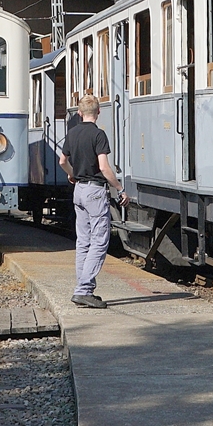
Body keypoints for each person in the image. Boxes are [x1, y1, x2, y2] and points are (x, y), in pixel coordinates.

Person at [58, 94, 128, 309]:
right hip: (95, 192)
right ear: (98, 112)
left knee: (83, 242)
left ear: (79, 113)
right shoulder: (99, 135)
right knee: (99, 241)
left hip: (78, 190)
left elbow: (63, 161)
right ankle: (84, 290)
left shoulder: (72, 133)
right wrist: (119, 188)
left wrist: (72, 174)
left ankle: (83, 288)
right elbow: (104, 168)